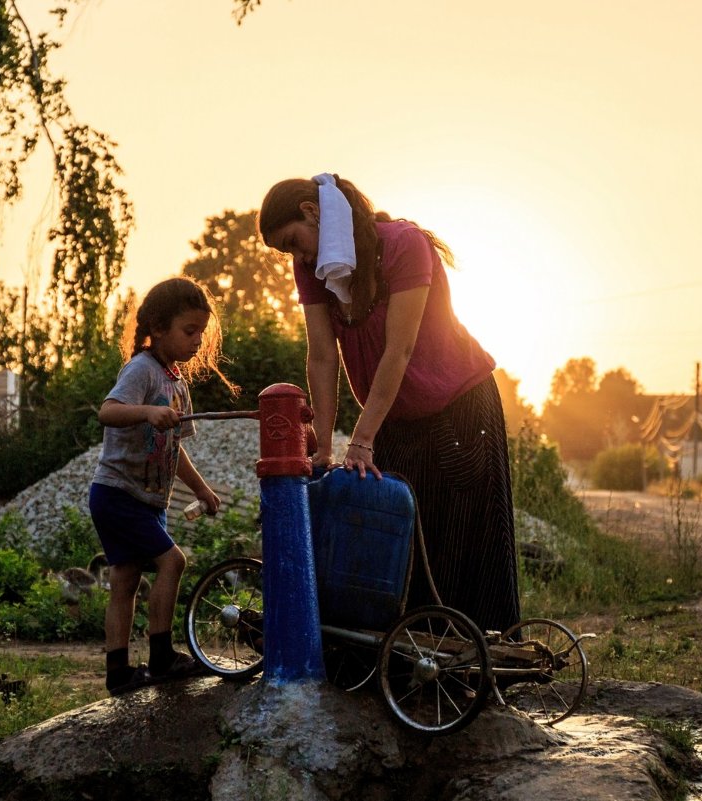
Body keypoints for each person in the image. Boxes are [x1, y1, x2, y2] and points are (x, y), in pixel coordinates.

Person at [257, 173, 521, 633]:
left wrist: (360, 439)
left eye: (294, 243)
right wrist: (319, 444)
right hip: (395, 415)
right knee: (395, 533)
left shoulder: (402, 244)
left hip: (459, 406)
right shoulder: (314, 270)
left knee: (460, 541)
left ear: (312, 212)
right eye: (288, 253)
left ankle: (475, 662)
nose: (296, 257)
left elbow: (399, 351)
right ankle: (408, 662)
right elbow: (321, 356)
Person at [89, 276, 236, 695]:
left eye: (200, 334)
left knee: (126, 578)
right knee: (173, 562)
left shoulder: (177, 384)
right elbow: (108, 411)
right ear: (158, 327)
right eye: (189, 332)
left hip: (147, 498)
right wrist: (145, 414)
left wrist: (203, 490)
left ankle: (118, 672)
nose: (196, 341)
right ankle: (161, 657)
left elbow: (177, 452)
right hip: (118, 493)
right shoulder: (141, 370)